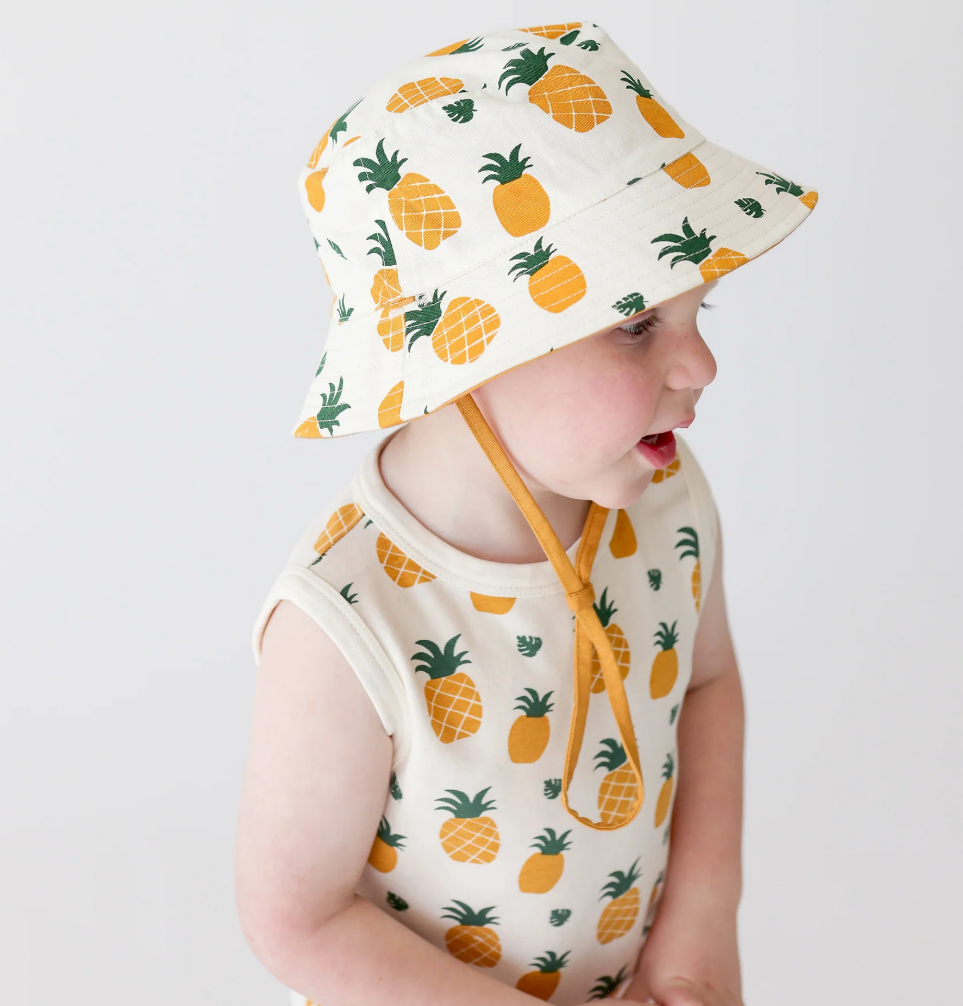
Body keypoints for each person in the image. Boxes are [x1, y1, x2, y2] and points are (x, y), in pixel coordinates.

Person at [235, 19, 817, 1006]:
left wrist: (697, 932)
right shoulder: (349, 623)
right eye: (639, 325)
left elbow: (707, 686)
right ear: (467, 354)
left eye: (697, 312)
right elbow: (299, 918)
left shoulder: (664, 500)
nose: (701, 366)